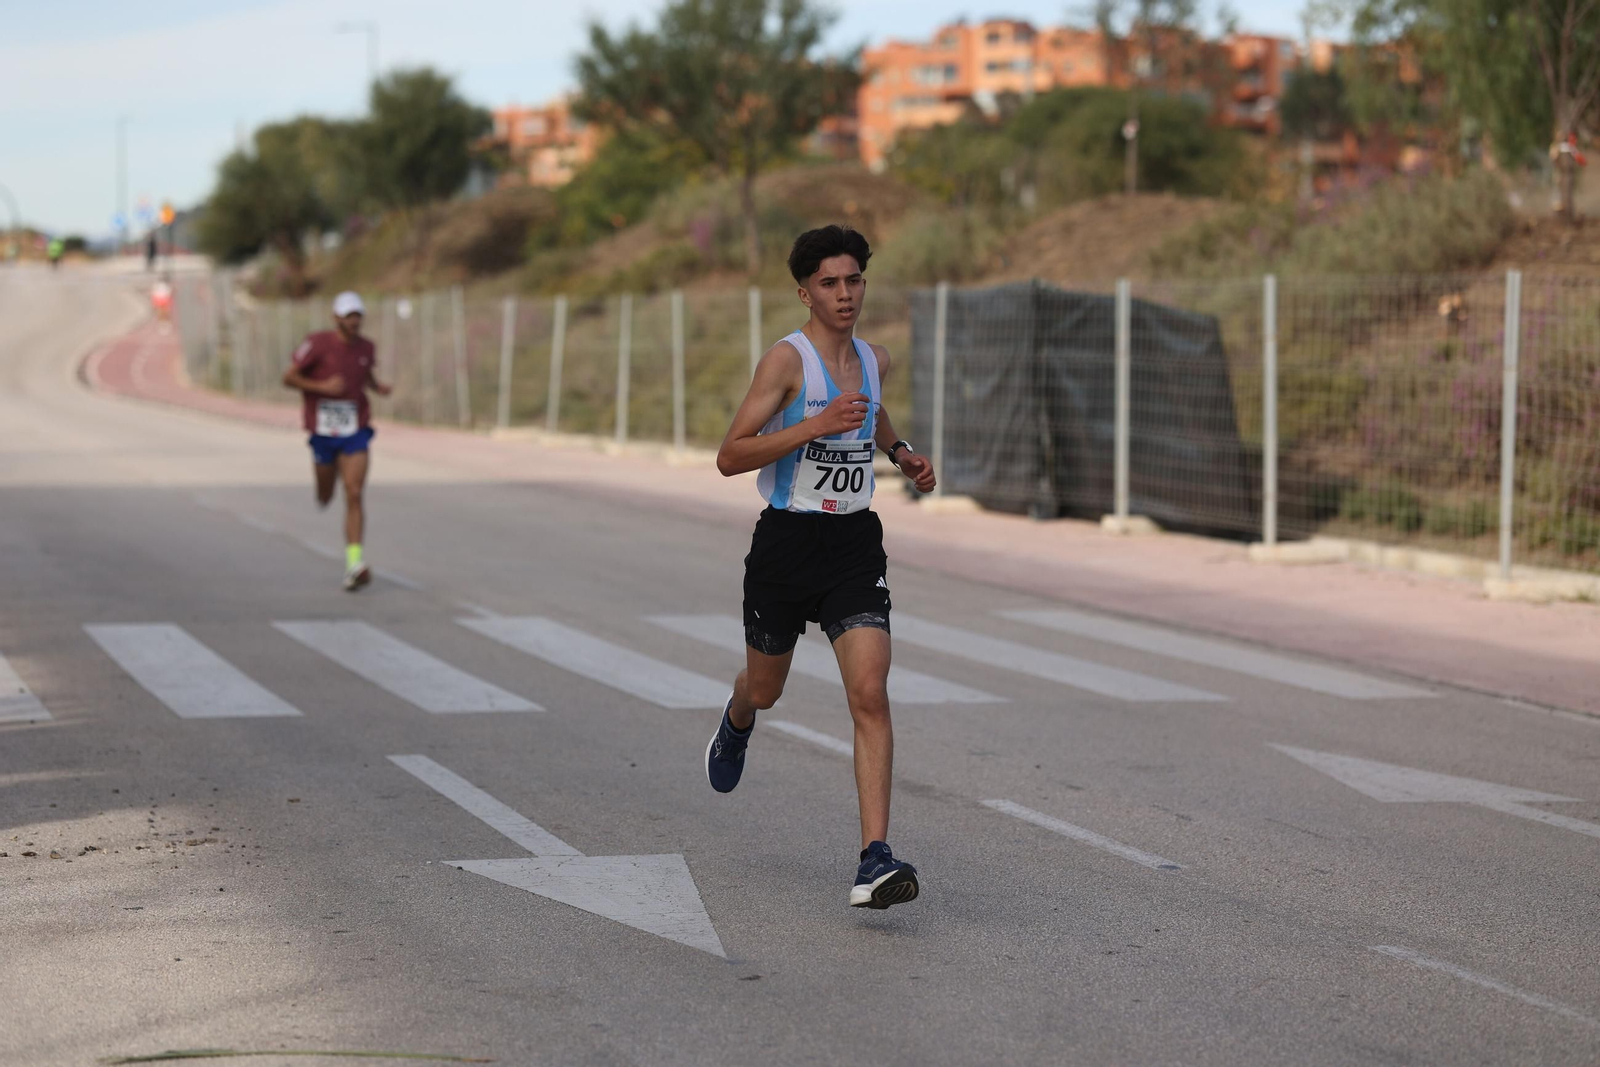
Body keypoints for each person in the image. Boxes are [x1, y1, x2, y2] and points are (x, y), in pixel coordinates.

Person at [704, 225, 937, 910]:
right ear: (805, 292)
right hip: (785, 543)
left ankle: (874, 858)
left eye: (854, 280)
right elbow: (730, 453)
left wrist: (902, 452)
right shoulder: (786, 362)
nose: (845, 294)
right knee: (768, 687)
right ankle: (739, 714)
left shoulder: (875, 358)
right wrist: (814, 424)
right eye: (830, 283)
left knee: (870, 690)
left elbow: (872, 412)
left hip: (852, 545)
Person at [281, 291, 392, 591]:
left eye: (358, 315)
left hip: (355, 429)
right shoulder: (317, 344)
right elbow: (288, 378)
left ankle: (354, 563)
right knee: (326, 493)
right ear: (337, 318)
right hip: (323, 431)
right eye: (348, 316)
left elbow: (364, 372)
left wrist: (377, 387)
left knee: (354, 492)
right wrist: (322, 387)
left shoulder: (367, 347)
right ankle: (323, 491)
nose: (354, 321)